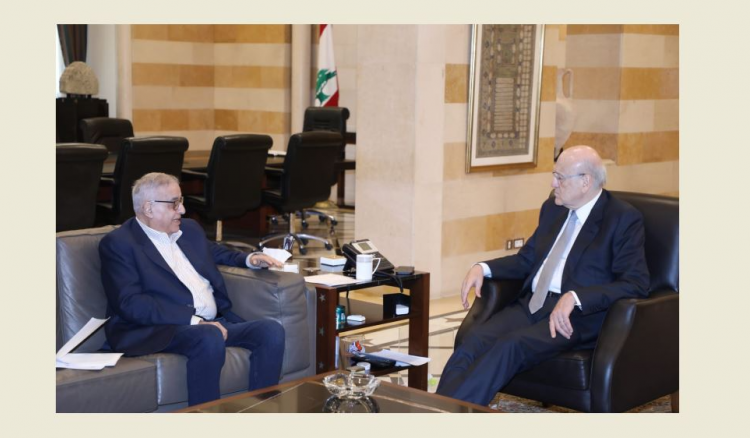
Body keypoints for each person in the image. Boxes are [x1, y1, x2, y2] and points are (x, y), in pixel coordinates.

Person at [436, 145, 650, 406]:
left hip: (573, 318)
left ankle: (451, 416)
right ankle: (438, 409)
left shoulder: (622, 219)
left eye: (560, 177)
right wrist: (483, 267)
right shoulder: (553, 209)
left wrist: (576, 297)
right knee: (474, 340)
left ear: (585, 182)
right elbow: (526, 260)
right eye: (554, 175)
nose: (553, 183)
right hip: (533, 304)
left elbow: (635, 283)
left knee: (510, 346)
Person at [99, 172, 286, 406]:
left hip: (212, 323)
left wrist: (249, 259)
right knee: (208, 335)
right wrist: (194, 320)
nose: (183, 210)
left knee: (270, 330)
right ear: (148, 208)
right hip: (158, 329)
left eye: (181, 201)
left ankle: (261, 411)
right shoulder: (119, 244)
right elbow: (130, 304)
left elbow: (215, 251)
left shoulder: (188, 229)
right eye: (174, 203)